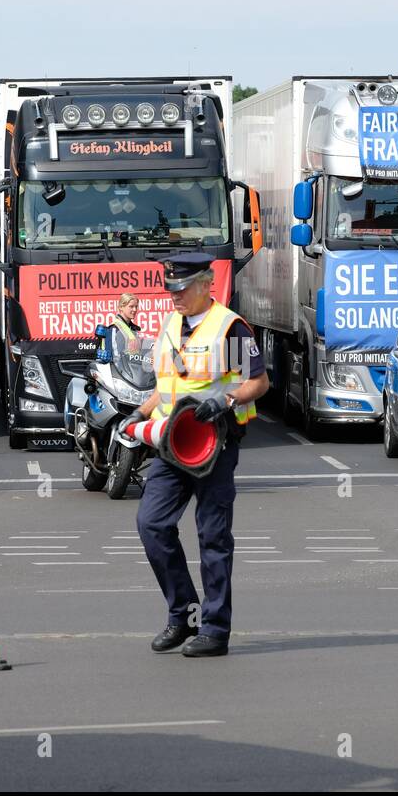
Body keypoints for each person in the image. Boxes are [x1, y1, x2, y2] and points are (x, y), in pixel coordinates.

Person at [127, 253, 269, 657]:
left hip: (215, 446)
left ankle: (215, 629)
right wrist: (138, 412)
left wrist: (225, 399)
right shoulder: (171, 323)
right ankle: (184, 613)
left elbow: (258, 383)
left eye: (182, 289)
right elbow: (168, 384)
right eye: (170, 289)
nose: (174, 296)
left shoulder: (229, 328)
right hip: (172, 443)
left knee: (213, 536)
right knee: (151, 524)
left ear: (207, 284)